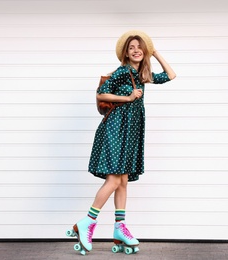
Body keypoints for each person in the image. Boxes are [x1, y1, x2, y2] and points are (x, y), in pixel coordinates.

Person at [69, 30, 176, 254]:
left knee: (123, 180)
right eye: (131, 48)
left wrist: (155, 53)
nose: (136, 50)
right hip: (116, 128)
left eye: (140, 47)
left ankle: (119, 228)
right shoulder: (122, 71)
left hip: (131, 130)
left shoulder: (143, 75)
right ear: (126, 54)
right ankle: (86, 222)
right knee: (114, 180)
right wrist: (127, 98)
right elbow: (101, 94)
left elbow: (171, 75)